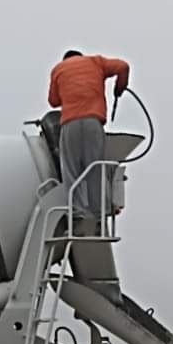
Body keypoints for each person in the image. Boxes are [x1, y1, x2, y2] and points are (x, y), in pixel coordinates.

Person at [47, 50, 130, 227]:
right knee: (95, 168)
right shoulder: (96, 62)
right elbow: (123, 66)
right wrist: (119, 87)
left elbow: (53, 101)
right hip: (93, 122)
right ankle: (101, 212)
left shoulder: (58, 69)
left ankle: (76, 212)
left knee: (70, 169)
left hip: (70, 124)